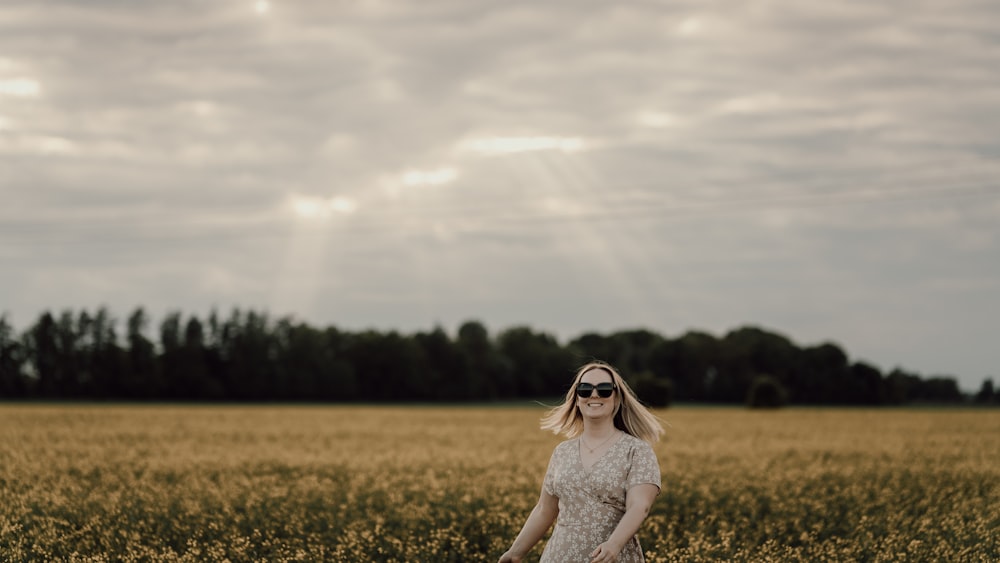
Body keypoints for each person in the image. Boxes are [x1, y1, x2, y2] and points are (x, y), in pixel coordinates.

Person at [499, 361, 665, 563]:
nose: (594, 395)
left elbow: (640, 506)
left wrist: (614, 545)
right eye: (585, 389)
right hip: (558, 556)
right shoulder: (562, 452)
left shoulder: (637, 451)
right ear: (577, 399)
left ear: (617, 398)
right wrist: (515, 553)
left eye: (604, 389)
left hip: (611, 558)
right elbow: (544, 509)